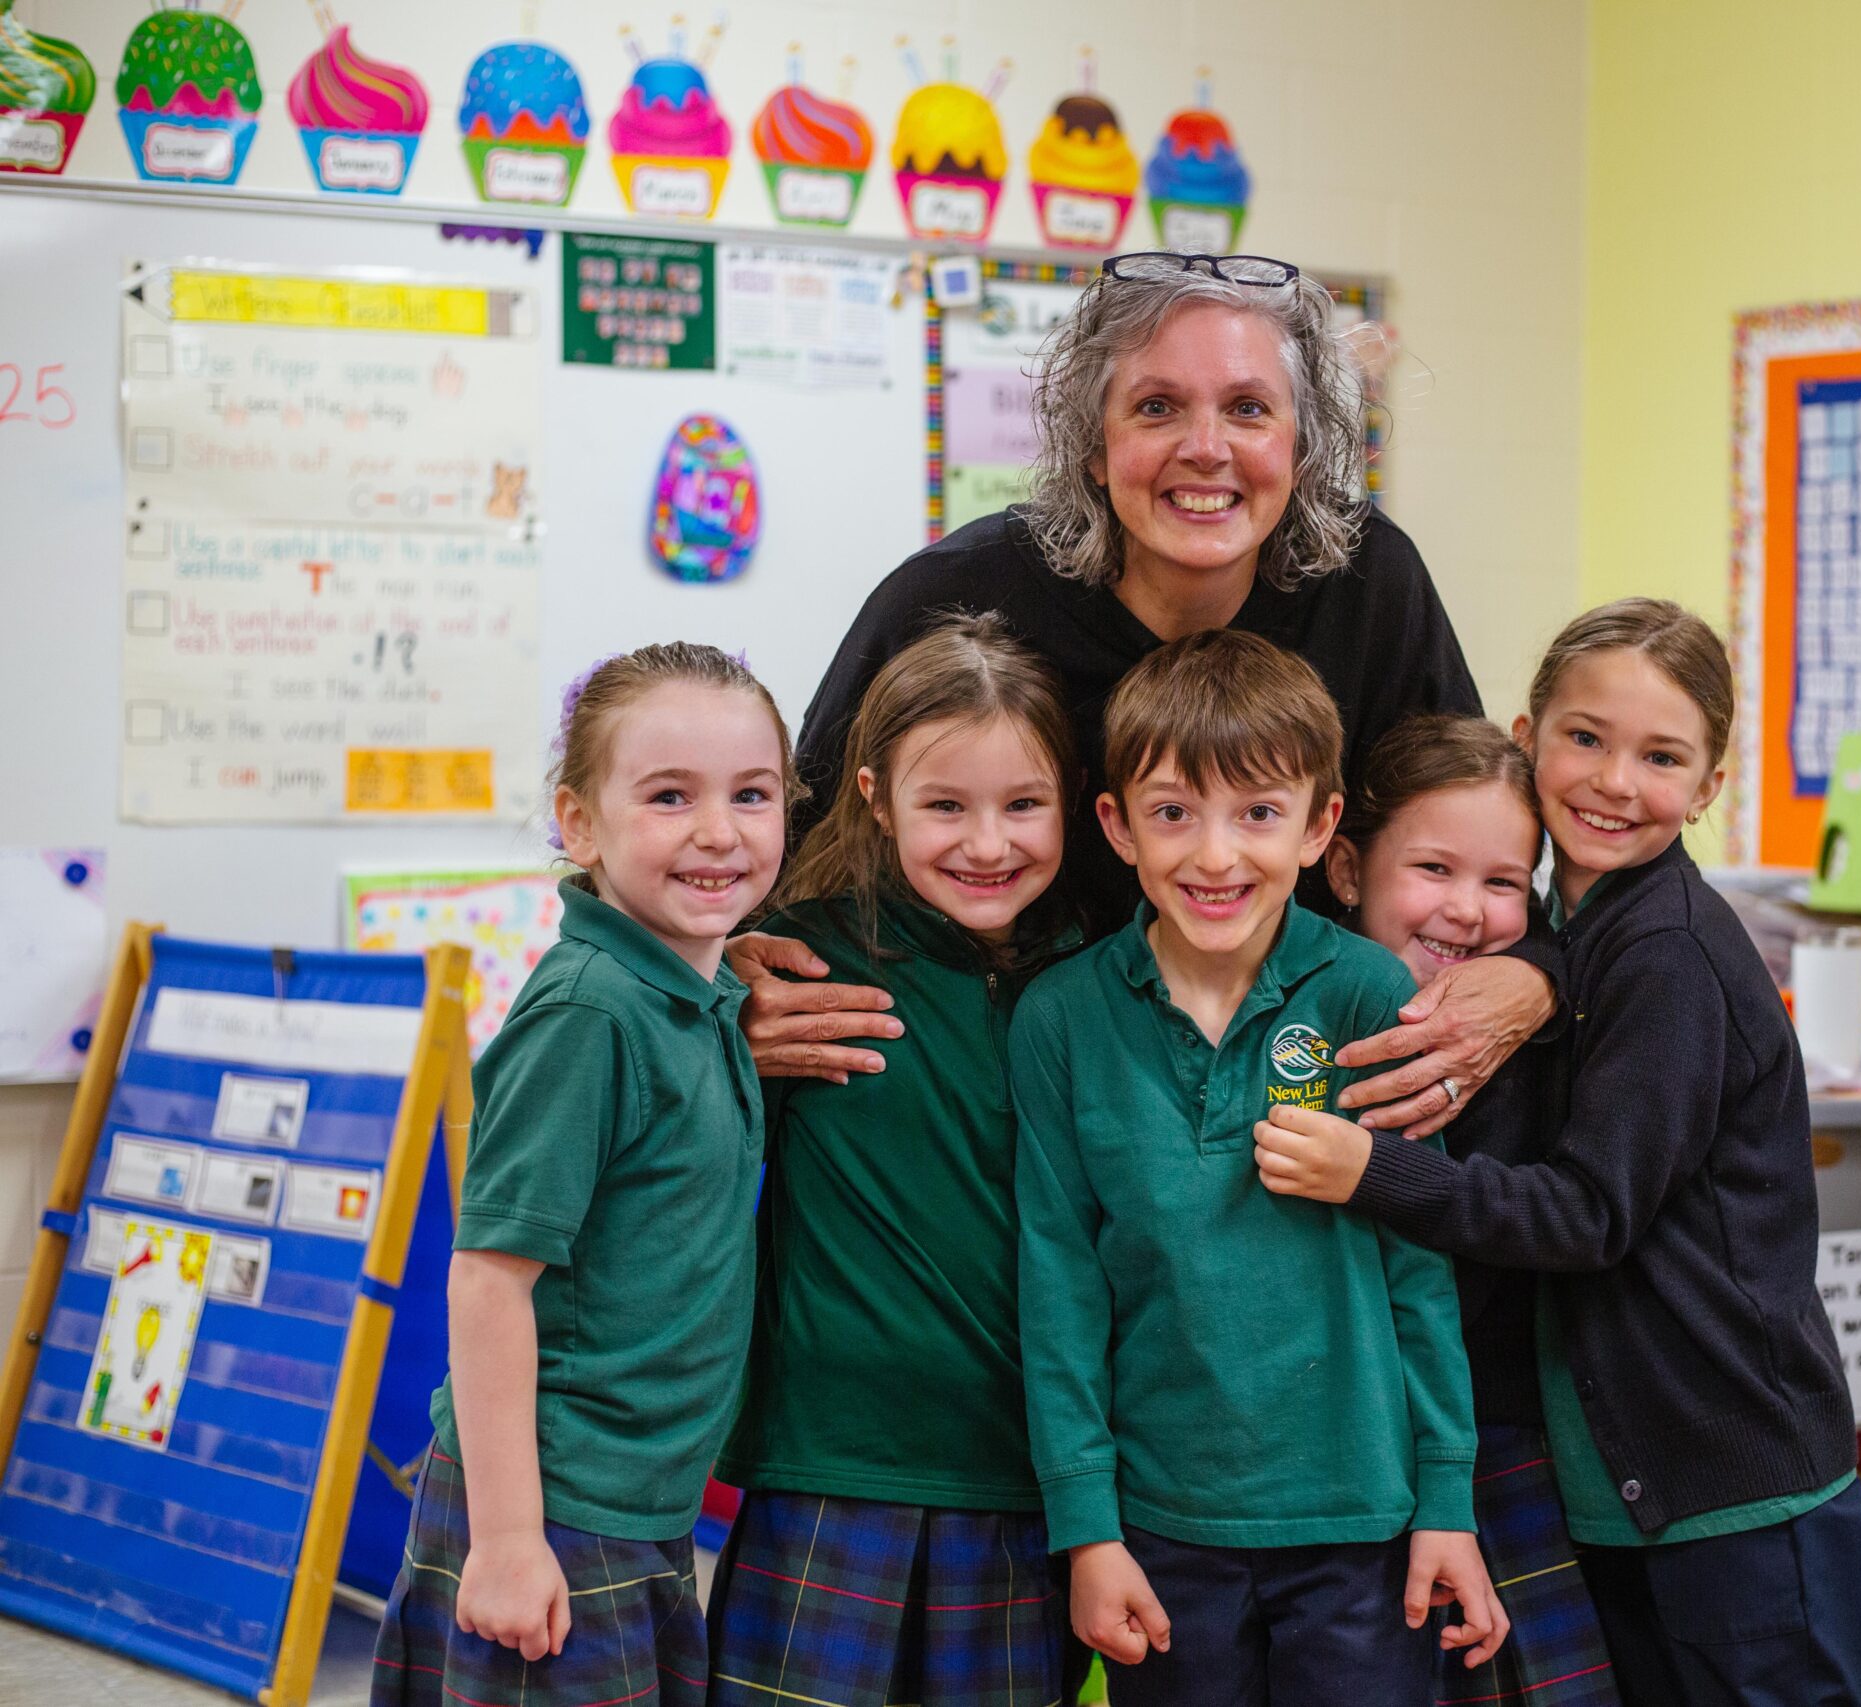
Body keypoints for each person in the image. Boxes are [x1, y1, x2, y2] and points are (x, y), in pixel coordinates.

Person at [735, 252, 1547, 1141]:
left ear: (1303, 445)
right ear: (1093, 444)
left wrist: (1543, 972)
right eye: (1156, 407)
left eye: (1248, 408)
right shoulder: (953, 599)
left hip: (1292, 1104)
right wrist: (727, 981)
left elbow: (1485, 831)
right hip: (1008, 1111)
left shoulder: (1370, 582)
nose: (1206, 448)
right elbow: (778, 850)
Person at [1255, 600, 1861, 1707]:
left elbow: (1588, 1214)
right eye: (1585, 739)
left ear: (1711, 784)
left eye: (1662, 756)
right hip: (1628, 1480)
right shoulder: (1570, 939)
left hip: (1727, 1465)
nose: (1612, 781)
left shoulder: (1665, 955)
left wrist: (1371, 1170)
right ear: (1529, 732)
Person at [1010, 630, 1506, 1706]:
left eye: (1259, 814)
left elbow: (1420, 1276)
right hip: (1159, 1529)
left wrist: (1445, 1503)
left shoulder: (1371, 998)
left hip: (1363, 1528)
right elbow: (1057, 1290)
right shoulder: (1059, 1017)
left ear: (1321, 824)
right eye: (1174, 812)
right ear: (1117, 827)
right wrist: (1087, 1531)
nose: (1216, 856)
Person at [372, 645, 794, 1707]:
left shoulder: (684, 994)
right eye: (668, 796)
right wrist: (509, 1541)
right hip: (550, 1502)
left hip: (634, 1502)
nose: (718, 831)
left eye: (752, 794)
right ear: (578, 824)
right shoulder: (589, 1015)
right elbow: (487, 1280)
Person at [705, 616, 1083, 1706]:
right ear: (873, 797)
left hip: (1025, 1480)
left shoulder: (1096, 982)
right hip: (827, 1471)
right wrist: (715, 996)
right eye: (944, 807)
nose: (987, 843)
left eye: (1023, 804)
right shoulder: (791, 961)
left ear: (1074, 799)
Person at [1321, 714, 1622, 1707]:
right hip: (1323, 1461)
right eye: (1434, 871)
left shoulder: (1534, 1054)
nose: (1464, 911)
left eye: (1502, 883)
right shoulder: (1289, 1033)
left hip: (1496, 1444)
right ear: (1346, 868)